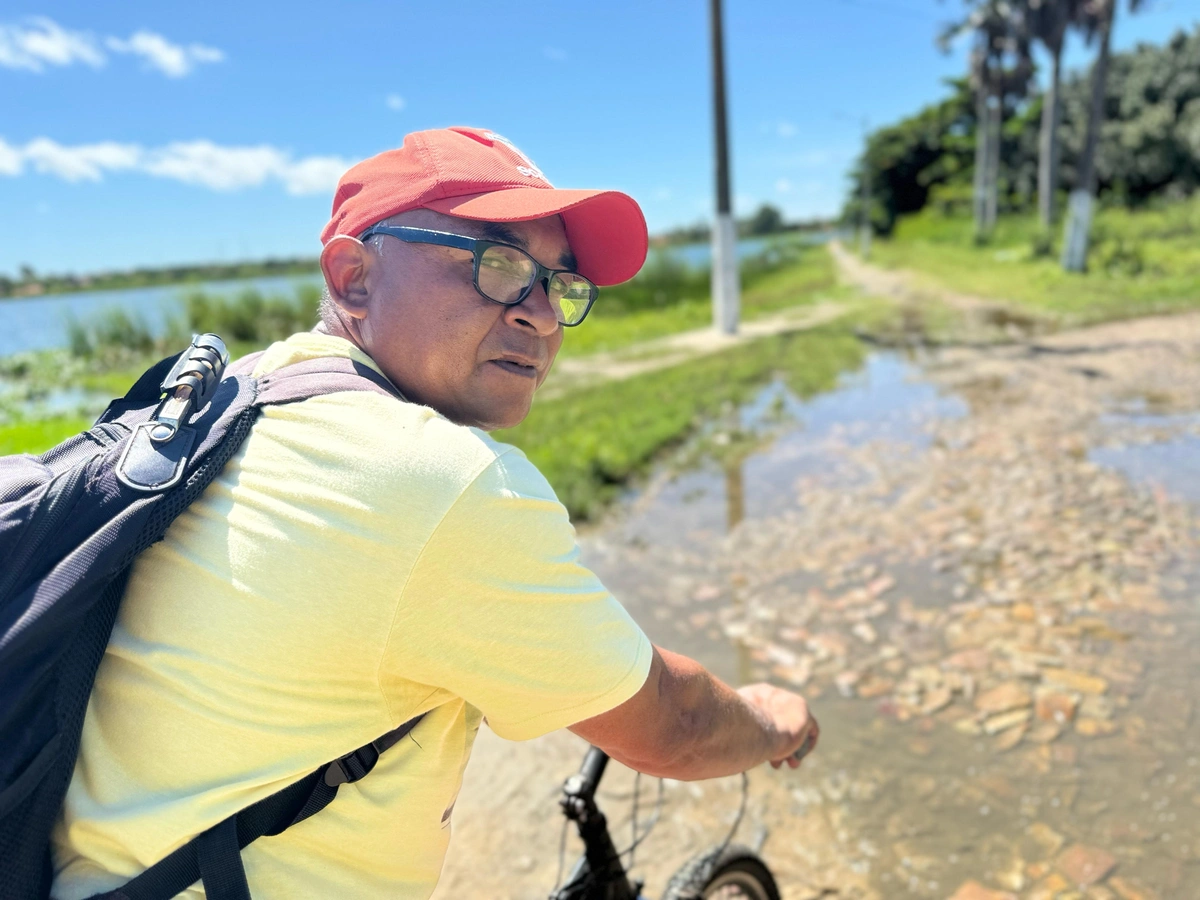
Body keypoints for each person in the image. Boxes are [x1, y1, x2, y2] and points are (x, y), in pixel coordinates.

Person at [50, 127, 818, 900]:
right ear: (352, 276)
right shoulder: (437, 480)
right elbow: (673, 726)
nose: (544, 316)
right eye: (500, 266)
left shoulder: (238, 392)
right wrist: (769, 717)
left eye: (559, 283)